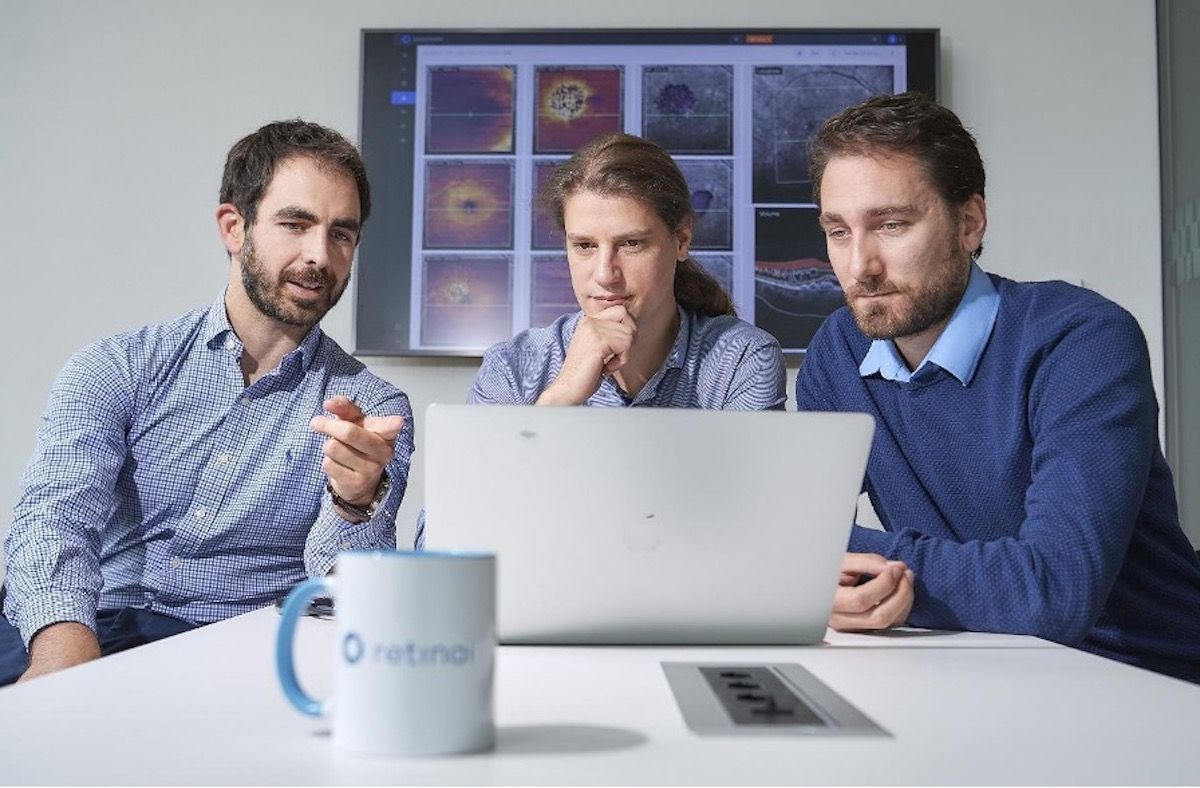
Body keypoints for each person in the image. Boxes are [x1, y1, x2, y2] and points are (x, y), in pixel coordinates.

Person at [798, 91, 1200, 682]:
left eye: (891, 225)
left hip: (1146, 675)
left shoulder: (1082, 340)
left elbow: (1057, 590)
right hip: (983, 664)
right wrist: (817, 570)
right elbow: (795, 537)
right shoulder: (838, 351)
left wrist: (849, 565)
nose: (861, 266)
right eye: (838, 231)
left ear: (969, 223)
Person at [0, 120, 414, 684]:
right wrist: (63, 649)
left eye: (341, 234)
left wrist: (354, 500)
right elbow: (54, 518)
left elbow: (341, 594)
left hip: (242, 651)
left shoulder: (371, 409)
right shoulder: (117, 366)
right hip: (93, 622)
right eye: (295, 224)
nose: (319, 254)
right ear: (234, 227)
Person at [470, 132, 786, 410]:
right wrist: (561, 397)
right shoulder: (510, 368)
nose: (605, 275)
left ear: (681, 240)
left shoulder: (741, 358)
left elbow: (746, 465)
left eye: (631, 243)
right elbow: (486, 465)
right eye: (584, 246)